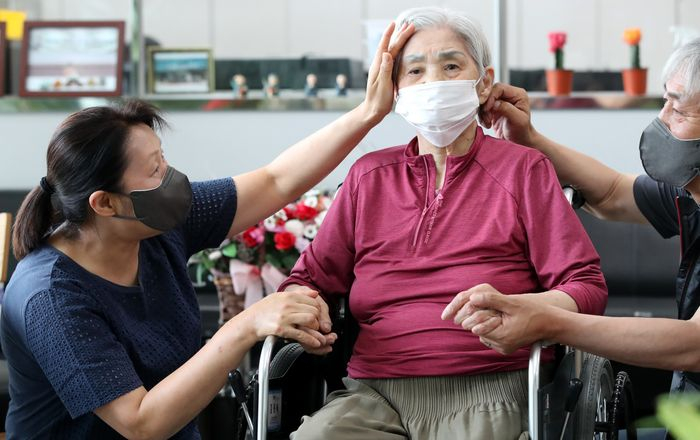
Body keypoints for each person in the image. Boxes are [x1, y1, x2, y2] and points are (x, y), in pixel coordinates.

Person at [0, 22, 415, 439]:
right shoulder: (50, 296)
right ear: (105, 203)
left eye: (163, 159)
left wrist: (369, 113)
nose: (171, 177)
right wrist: (246, 325)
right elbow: (141, 423)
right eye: (154, 171)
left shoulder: (153, 224)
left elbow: (276, 181)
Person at [279, 7, 608, 440]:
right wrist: (306, 312)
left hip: (491, 390)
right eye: (415, 70)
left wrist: (531, 309)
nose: (433, 81)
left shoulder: (522, 170)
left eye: (451, 66)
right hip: (372, 394)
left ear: (483, 81)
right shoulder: (367, 176)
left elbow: (586, 286)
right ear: (394, 89)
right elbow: (308, 281)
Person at [450, 37, 700, 439]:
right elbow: (612, 192)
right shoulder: (690, 194)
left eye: (678, 107)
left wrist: (552, 322)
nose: (662, 118)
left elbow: (694, 345)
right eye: (664, 101)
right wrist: (528, 138)